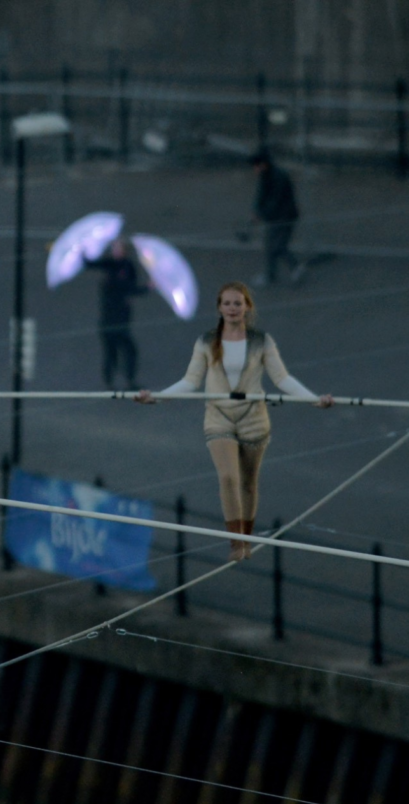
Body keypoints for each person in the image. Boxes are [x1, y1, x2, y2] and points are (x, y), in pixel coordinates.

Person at [136, 282, 332, 561]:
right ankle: (236, 542)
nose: (232, 308)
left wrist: (314, 399)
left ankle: (247, 538)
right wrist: (154, 397)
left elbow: (282, 379)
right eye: (227, 303)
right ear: (219, 308)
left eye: (237, 303)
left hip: (254, 418)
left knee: (249, 483)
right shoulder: (206, 341)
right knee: (228, 478)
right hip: (219, 417)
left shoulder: (262, 341)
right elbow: (190, 382)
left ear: (247, 307)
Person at [84, 237, 150, 390]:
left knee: (128, 351)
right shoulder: (112, 267)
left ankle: (124, 380)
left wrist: (145, 288)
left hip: (121, 319)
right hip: (109, 319)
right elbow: (91, 265)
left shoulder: (127, 267)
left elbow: (131, 288)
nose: (115, 251)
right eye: (114, 248)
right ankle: (110, 382)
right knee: (112, 352)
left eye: (118, 248)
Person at [251, 150, 302, 286]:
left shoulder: (278, 177)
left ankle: (295, 267)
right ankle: (270, 275)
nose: (254, 169)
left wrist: (260, 214)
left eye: (256, 166)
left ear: (263, 165)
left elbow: (275, 200)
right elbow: (261, 196)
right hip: (275, 218)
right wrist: (257, 211)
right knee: (270, 246)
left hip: (285, 217)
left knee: (278, 246)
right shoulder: (266, 176)